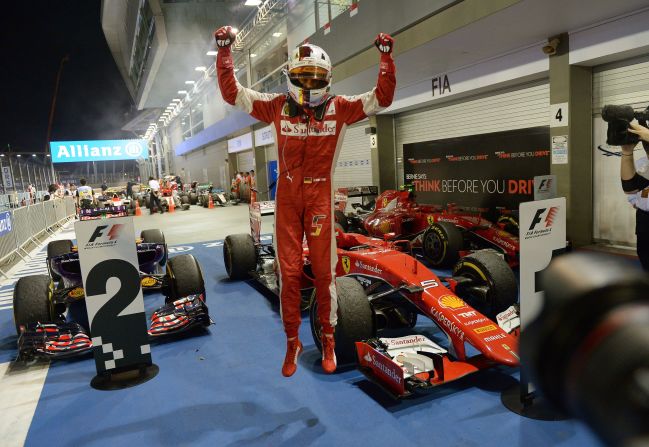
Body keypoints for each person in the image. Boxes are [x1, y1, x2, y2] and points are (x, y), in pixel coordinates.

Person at [215, 25, 396, 376]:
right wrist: (225, 52)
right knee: (289, 271)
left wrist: (386, 60)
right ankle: (291, 342)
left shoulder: (341, 107)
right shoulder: (277, 106)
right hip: (287, 198)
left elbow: (381, 98)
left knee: (325, 273)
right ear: (290, 77)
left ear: (327, 79)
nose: (309, 84)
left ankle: (328, 338)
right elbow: (232, 93)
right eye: (302, 76)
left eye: (316, 78)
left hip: (320, 199)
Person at [621, 121, 649, 269]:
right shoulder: (642, 164)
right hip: (644, 218)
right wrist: (626, 152)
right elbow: (630, 188)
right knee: (644, 255)